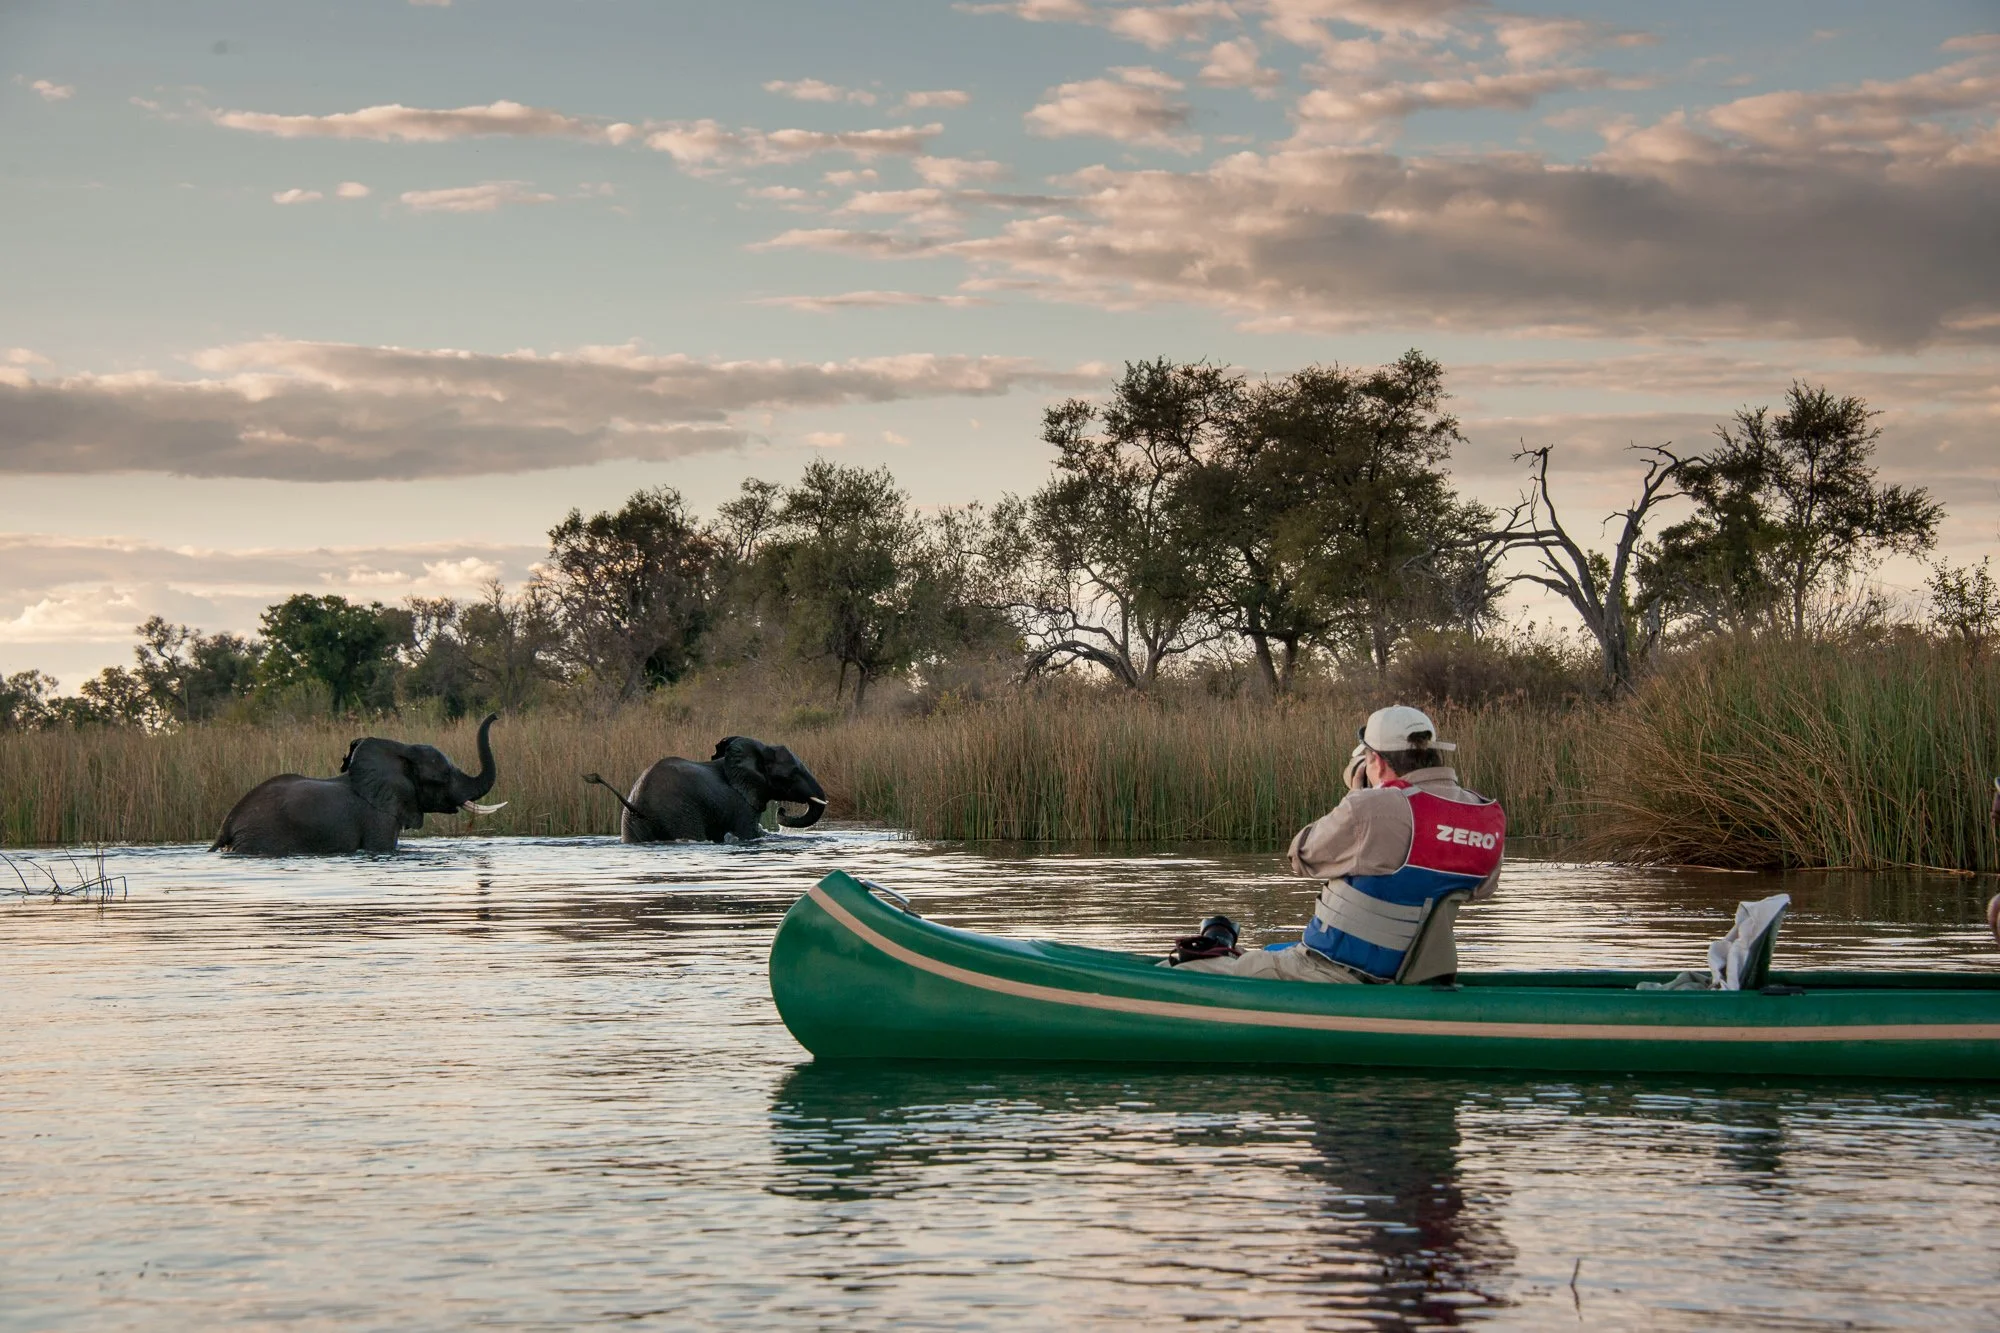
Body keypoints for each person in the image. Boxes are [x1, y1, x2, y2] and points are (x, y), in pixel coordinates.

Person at [1168, 705, 1505, 984]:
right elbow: (1480, 888)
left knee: (1184, 967)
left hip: (1334, 972)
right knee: (1272, 950)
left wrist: (1360, 794)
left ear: (1377, 760)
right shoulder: (1485, 814)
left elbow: (1301, 855)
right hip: (1410, 974)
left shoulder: (1372, 807)